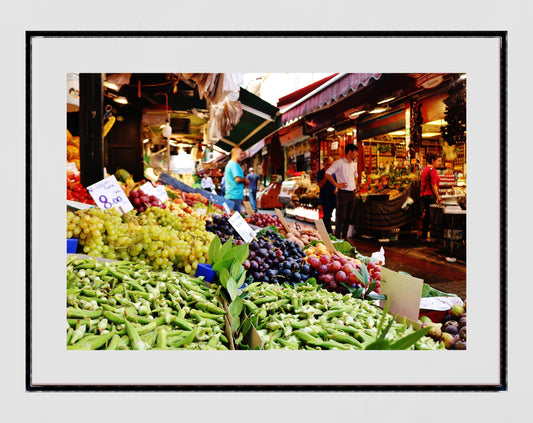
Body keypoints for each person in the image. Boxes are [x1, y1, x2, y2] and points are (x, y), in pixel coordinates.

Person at [325, 144, 359, 240]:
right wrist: (337, 184)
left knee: (349, 216)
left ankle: (345, 237)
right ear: (350, 152)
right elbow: (327, 173)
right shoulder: (339, 163)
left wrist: (354, 185)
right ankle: (338, 237)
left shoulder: (354, 164)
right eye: (356, 152)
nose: (357, 154)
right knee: (340, 216)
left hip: (352, 193)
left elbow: (355, 176)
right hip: (343, 193)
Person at [419, 152, 442, 242]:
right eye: (438, 161)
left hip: (425, 195)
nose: (440, 163)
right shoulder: (432, 170)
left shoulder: (426, 169)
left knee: (427, 216)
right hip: (430, 195)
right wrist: (438, 197)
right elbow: (433, 185)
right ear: (433, 161)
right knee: (432, 217)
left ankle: (424, 236)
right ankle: (429, 237)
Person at [224, 147, 249, 213]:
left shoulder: (231, 164)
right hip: (234, 196)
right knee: (236, 219)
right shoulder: (233, 164)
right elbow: (237, 179)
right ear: (235, 154)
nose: (242, 156)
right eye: (240, 154)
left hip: (233, 195)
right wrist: (246, 181)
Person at [316, 157, 336, 234]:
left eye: (330, 164)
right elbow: (321, 184)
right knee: (327, 215)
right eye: (327, 164)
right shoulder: (320, 173)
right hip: (325, 197)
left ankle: (327, 231)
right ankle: (328, 232)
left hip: (333, 197)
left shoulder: (334, 173)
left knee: (330, 215)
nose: (329, 166)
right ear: (324, 164)